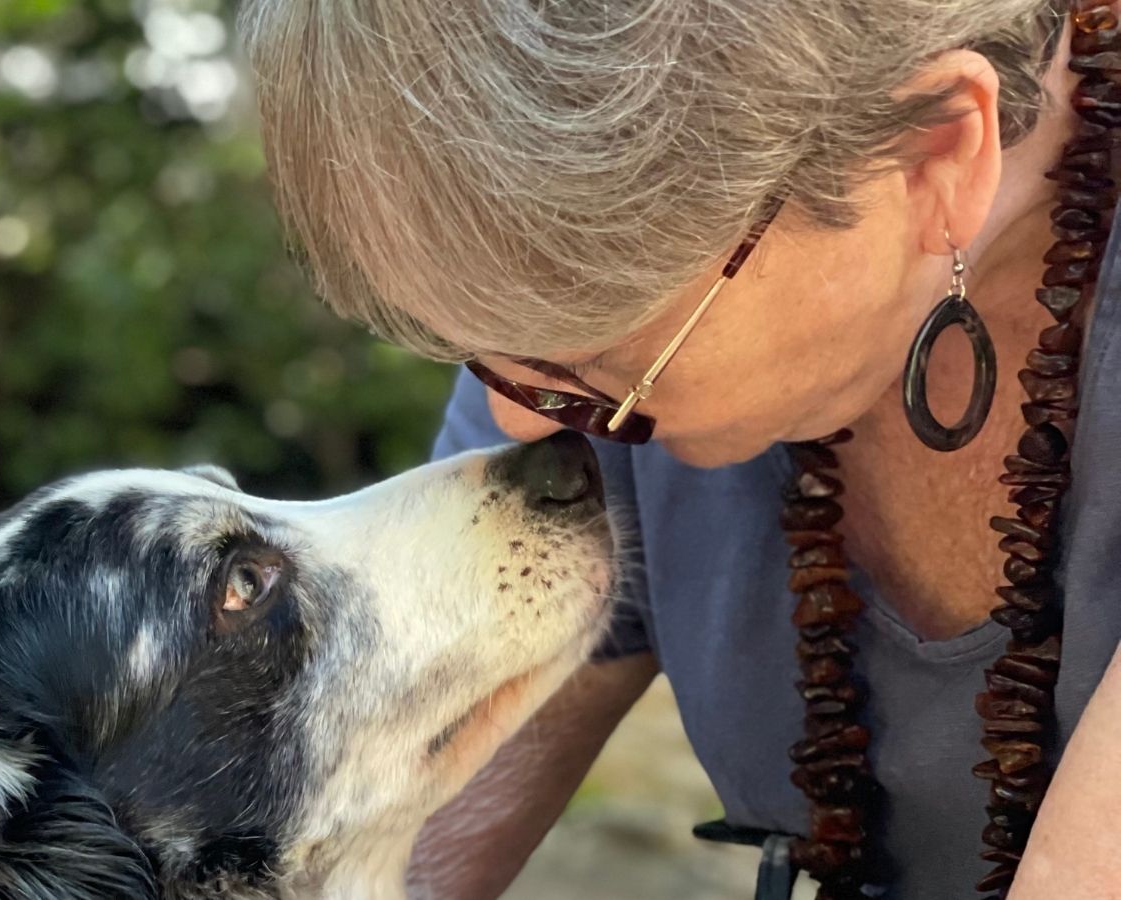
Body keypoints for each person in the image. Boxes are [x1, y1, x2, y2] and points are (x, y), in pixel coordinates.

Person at [239, 1, 1121, 897]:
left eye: (591, 347)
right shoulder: (597, 345)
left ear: (936, 151)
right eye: (478, 349)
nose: (515, 425)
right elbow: (382, 850)